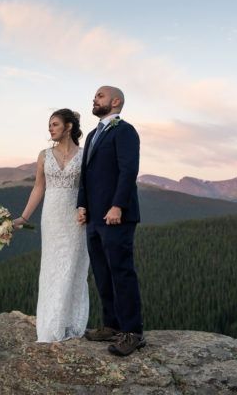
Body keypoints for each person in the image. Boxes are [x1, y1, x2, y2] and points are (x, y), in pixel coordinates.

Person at [77, 86, 144, 356]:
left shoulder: (125, 131)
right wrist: (81, 204)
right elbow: (86, 174)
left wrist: (117, 205)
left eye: (100, 96)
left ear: (115, 102)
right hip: (93, 217)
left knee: (121, 272)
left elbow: (129, 170)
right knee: (102, 272)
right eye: (94, 96)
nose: (94, 99)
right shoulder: (93, 135)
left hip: (117, 216)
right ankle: (111, 325)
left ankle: (133, 333)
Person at [14, 108, 89, 342]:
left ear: (68, 127)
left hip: (77, 218)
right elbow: (39, 187)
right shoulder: (44, 155)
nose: (50, 128)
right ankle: (50, 326)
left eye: (55, 124)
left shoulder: (86, 154)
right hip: (52, 217)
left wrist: (87, 209)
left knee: (74, 268)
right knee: (52, 267)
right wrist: (24, 217)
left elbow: (92, 187)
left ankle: (71, 324)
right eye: (50, 125)